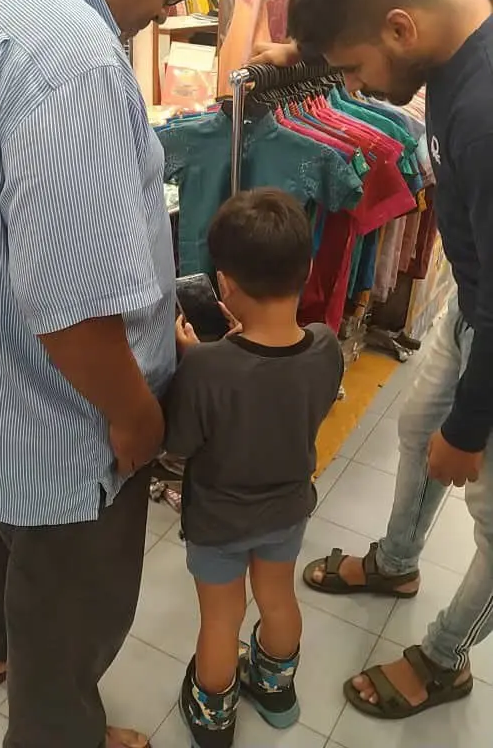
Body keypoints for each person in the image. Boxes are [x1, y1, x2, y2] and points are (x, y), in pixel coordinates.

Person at [0, 0, 215, 748]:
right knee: (75, 607)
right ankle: (55, 723)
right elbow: (73, 311)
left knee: (3, 538)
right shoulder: (77, 57)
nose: (166, 13)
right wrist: (136, 416)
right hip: (70, 424)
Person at [252, 0, 493, 720]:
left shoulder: (485, 116)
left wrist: (473, 425)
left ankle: (449, 655)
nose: (354, 90)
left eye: (354, 71)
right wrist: (311, 58)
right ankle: (396, 562)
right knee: (416, 427)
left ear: (401, 30)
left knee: (485, 507)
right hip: (475, 298)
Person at [164, 189, 343, 747]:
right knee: (277, 598)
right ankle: (274, 688)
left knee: (222, 617)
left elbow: (181, 446)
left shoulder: (207, 366)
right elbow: (283, 388)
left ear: (225, 285)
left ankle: (214, 719)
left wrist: (194, 360)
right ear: (306, 266)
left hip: (219, 516)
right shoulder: (326, 345)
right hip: (287, 508)